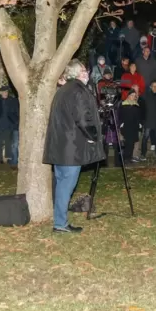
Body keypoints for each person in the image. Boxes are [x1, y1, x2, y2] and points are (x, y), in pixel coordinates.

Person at [43, 59, 105, 234]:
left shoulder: (63, 90)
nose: (87, 73)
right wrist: (93, 136)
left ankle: (60, 221)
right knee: (66, 186)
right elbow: (83, 118)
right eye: (84, 70)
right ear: (77, 73)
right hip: (71, 149)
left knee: (62, 183)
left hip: (61, 147)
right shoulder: (77, 91)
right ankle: (60, 224)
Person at [0, 86, 19, 165]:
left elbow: (16, 112)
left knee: (8, 141)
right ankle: (0, 159)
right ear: (1, 92)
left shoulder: (12, 100)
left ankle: (8, 158)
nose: (5, 93)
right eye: (4, 92)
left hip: (9, 124)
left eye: (6, 92)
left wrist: (15, 122)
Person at [119, 90, 142, 162]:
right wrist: (121, 123)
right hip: (126, 125)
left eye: (135, 96)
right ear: (128, 96)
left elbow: (138, 116)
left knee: (132, 143)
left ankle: (129, 157)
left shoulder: (136, 105)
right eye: (132, 95)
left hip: (134, 126)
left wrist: (139, 123)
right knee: (127, 142)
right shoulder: (123, 104)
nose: (133, 97)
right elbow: (120, 115)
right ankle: (125, 157)